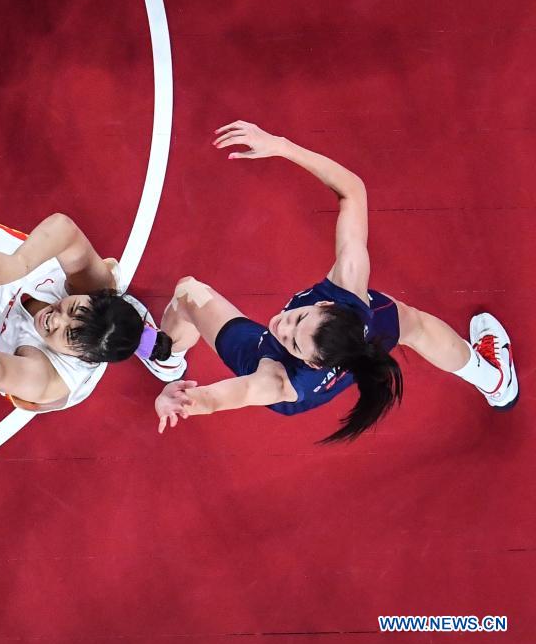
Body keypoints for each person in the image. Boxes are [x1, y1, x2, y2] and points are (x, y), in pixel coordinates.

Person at [155, 120, 518, 441]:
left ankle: (166, 359)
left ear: (312, 363)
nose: (281, 325)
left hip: (268, 359)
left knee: (188, 292)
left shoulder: (276, 381)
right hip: (345, 342)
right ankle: (495, 381)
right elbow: (353, 191)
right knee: (411, 323)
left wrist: (179, 400)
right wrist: (281, 146)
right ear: (328, 303)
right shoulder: (350, 290)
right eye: (299, 317)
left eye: (292, 340)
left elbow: (222, 398)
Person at [0, 121, 187, 412]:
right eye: (72, 309)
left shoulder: (42, 378)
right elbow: (64, 229)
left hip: (8, 345)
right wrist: (18, 263)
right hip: (24, 276)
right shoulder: (95, 286)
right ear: (92, 298)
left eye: (68, 334)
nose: (56, 318)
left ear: (83, 357)